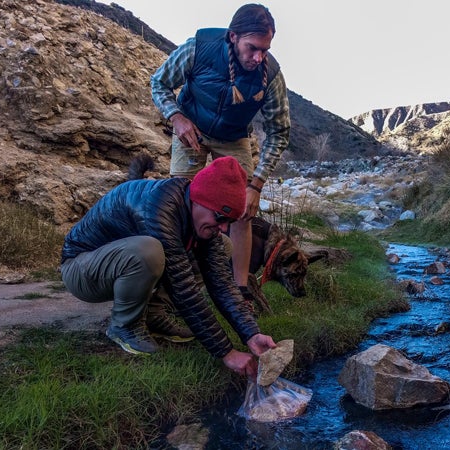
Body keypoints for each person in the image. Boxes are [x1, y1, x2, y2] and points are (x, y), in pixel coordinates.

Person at [60, 156, 275, 378]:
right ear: (200, 200)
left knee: (223, 246)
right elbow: (184, 290)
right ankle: (124, 325)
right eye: (219, 217)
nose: (222, 227)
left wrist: (251, 334)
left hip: (110, 263)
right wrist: (227, 353)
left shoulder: (192, 207)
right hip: (80, 269)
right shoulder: (160, 209)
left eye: (228, 222)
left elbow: (221, 284)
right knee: (149, 251)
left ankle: (153, 314)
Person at [150, 3, 290, 309]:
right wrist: (176, 117)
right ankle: (174, 285)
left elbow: (279, 131)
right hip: (191, 128)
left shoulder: (271, 74)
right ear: (232, 36)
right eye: (252, 48)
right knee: (180, 203)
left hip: (234, 137)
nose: (258, 57)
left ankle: (240, 290)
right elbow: (158, 82)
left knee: (243, 208)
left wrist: (256, 185)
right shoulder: (197, 49)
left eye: (265, 50)